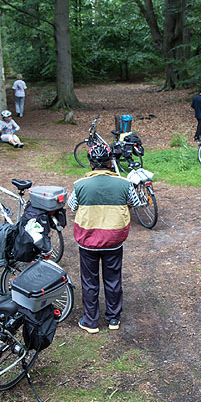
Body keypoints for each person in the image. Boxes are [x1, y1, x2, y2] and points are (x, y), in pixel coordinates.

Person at [68, 143, 141, 333]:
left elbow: (72, 206)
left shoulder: (80, 185)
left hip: (88, 241)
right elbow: (134, 202)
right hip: (114, 240)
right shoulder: (124, 183)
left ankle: (90, 322)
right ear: (110, 162)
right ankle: (113, 319)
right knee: (113, 278)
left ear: (91, 164)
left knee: (89, 281)